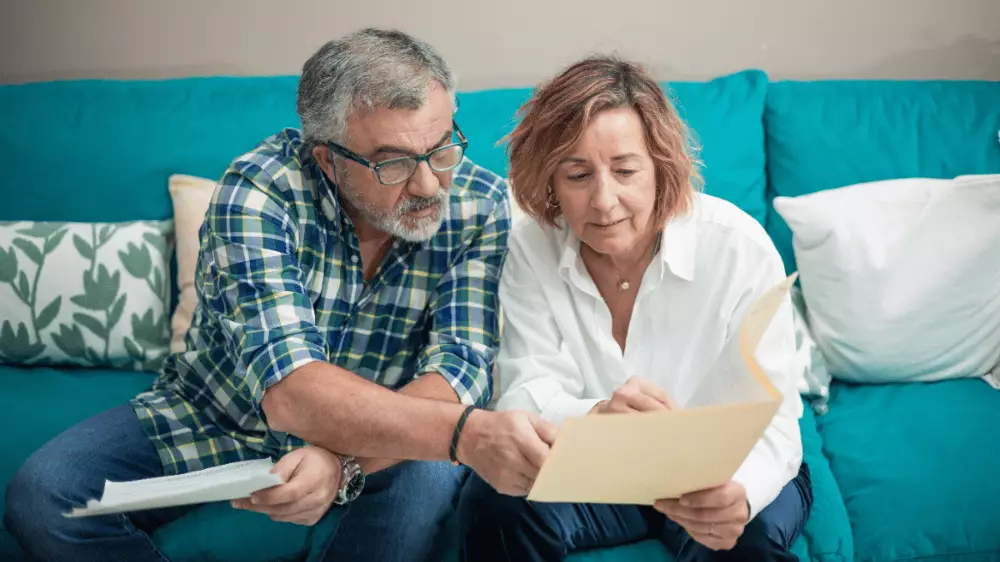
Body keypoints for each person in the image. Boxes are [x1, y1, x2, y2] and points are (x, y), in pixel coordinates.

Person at [5, 28, 557, 562]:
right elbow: (291, 392)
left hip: (394, 424)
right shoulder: (257, 193)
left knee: (432, 471)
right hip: (220, 414)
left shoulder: (480, 203)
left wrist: (341, 461)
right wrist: (459, 435)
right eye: (393, 162)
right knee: (43, 493)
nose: (430, 185)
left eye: (441, 148)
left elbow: (457, 367)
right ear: (328, 160)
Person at [458, 56, 813, 562]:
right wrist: (600, 415)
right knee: (493, 505)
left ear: (660, 167)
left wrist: (741, 491)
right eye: (577, 174)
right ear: (551, 183)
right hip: (594, 466)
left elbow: (776, 415)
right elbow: (523, 393)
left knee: (746, 543)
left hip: (721, 464)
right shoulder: (529, 249)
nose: (604, 201)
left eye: (625, 170)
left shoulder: (740, 248)